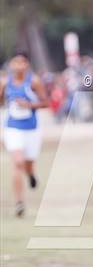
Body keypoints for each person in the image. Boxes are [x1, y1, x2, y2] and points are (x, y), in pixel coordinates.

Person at [0, 52, 49, 216]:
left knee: (28, 164)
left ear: (27, 64)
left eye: (22, 62)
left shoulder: (34, 81)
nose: (18, 65)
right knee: (17, 163)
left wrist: (28, 105)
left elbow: (46, 103)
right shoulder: (5, 83)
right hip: (12, 128)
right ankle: (19, 202)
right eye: (15, 61)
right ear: (11, 64)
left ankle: (31, 175)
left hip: (32, 129)